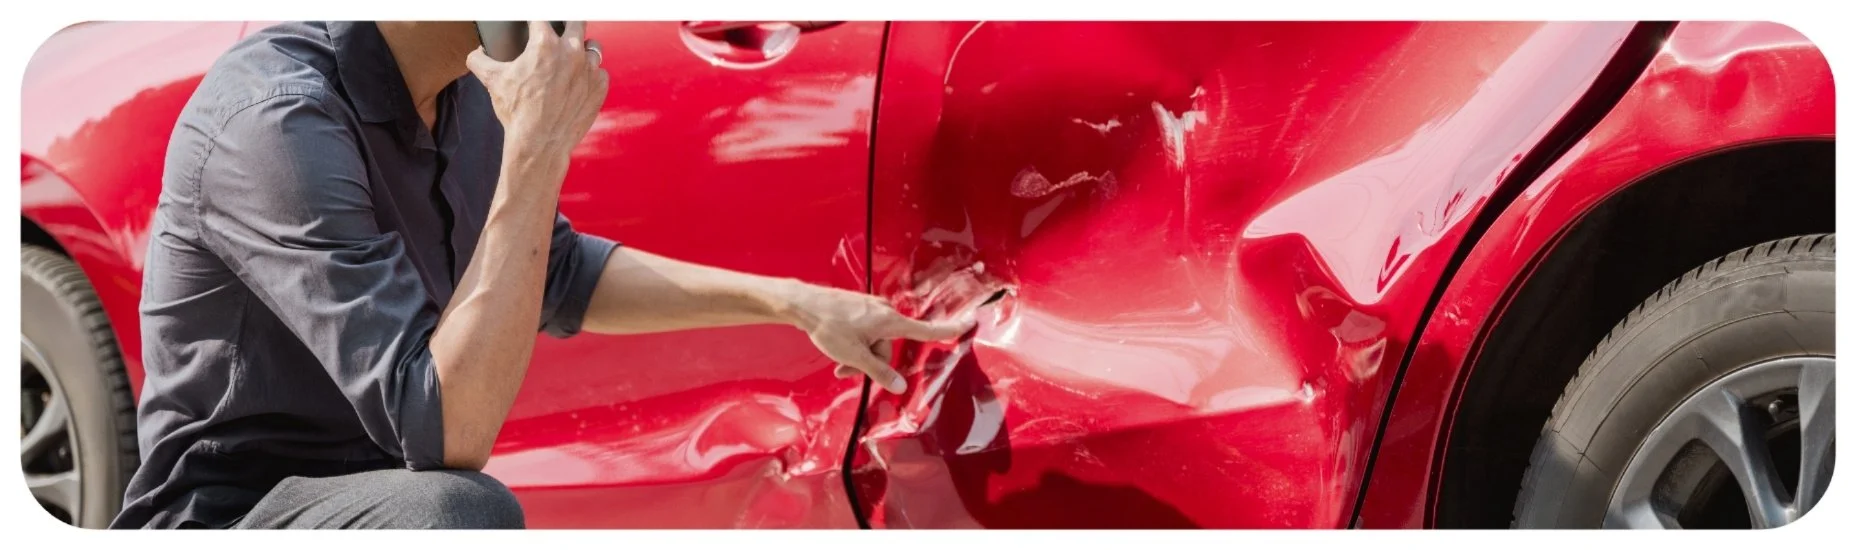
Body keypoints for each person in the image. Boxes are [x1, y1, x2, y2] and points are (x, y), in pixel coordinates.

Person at [112, 20, 972, 530]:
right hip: (233, 515)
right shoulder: (277, 119)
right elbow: (445, 431)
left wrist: (789, 303)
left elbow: (558, 269)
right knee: (454, 511)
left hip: (377, 489)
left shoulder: (461, 91)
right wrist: (536, 146)